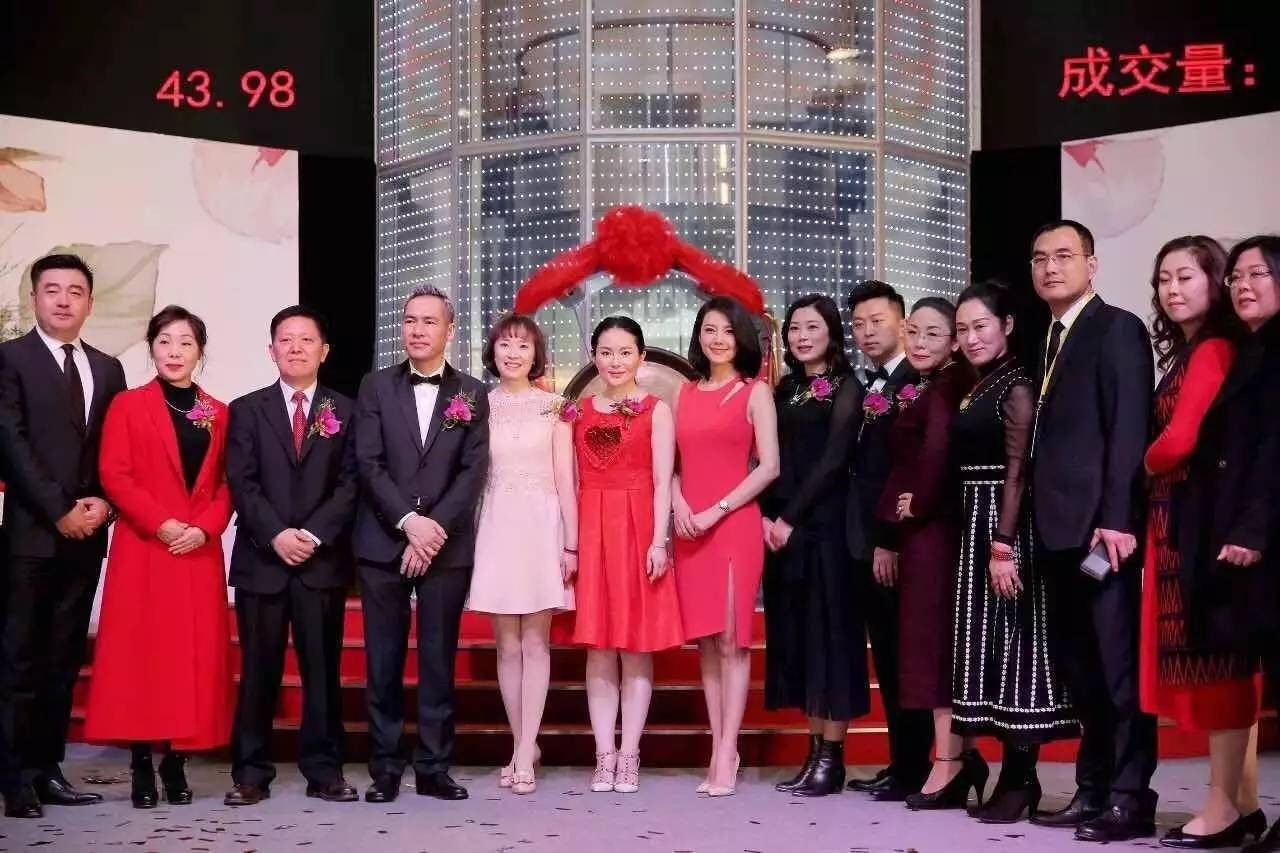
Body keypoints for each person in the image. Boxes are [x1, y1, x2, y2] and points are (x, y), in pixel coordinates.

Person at [1027, 220, 1158, 842]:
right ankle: (1094, 787)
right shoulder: (1048, 338)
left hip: (1104, 535)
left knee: (1117, 669)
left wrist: (1117, 518)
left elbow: (1129, 430)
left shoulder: (1118, 329)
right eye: (1040, 259)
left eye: (1064, 256)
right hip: (1056, 532)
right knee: (1081, 671)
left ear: (1092, 264)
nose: (1051, 268)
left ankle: (1131, 797)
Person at [1134, 237, 1265, 849]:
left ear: (1215, 281)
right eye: (1164, 279)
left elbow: (1180, 439)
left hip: (1197, 523)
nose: (1172, 289)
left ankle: (1224, 807)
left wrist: (1139, 462)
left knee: (1217, 663)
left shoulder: (1212, 348)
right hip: (1179, 520)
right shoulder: (1192, 351)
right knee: (1213, 662)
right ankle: (1240, 802)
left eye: (1186, 276)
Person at [84, 306, 235, 808]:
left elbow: (226, 483)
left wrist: (204, 528)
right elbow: (115, 474)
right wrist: (161, 523)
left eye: (185, 342)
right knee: (142, 658)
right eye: (165, 341)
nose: (174, 351)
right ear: (151, 347)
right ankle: (141, 763)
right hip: (146, 547)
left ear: (200, 351)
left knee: (189, 660)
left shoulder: (218, 412)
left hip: (196, 551)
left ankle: (176, 760)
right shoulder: (128, 406)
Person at [0, 254, 126, 819]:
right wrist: (59, 509)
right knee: (19, 658)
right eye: (52, 290)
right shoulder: (9, 359)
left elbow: (115, 450)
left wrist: (105, 502)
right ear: (34, 298)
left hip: (86, 536)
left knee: (62, 657)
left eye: (75, 291)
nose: (63, 300)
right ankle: (14, 777)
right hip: (30, 536)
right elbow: (11, 442)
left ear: (89, 302)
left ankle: (47, 769)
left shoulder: (108, 367)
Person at [352, 285, 489, 804]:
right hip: (383, 540)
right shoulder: (374, 386)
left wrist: (432, 531)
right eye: (410, 320)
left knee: (437, 659)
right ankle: (385, 767)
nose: (417, 330)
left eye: (429, 321)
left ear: (449, 330)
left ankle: (434, 766)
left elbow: (472, 471)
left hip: (445, 545)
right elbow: (368, 463)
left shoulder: (471, 392)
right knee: (383, 661)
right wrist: (409, 522)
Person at [947, 282, 1077, 823]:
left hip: (1006, 527)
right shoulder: (979, 384)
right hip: (976, 523)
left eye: (980, 326)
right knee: (991, 651)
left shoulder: (1017, 384)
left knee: (1018, 648)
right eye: (962, 330)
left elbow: (1018, 470)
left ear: (1007, 326)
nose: (971, 338)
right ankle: (1010, 774)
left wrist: (1003, 545)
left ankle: (1020, 777)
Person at [223, 306, 360, 807]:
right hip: (263, 560)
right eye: (286, 339)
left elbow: (351, 483)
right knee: (258, 671)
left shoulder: (346, 410)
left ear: (324, 351)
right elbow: (241, 481)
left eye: (306, 339)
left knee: (321, 671)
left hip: (320, 562)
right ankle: (250, 773)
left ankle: (324, 771)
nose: (296, 347)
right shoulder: (246, 409)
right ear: (271, 350)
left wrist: (313, 534)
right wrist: (277, 534)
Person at [1174, 235, 1280, 853]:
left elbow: (1276, 450)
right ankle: (1246, 811)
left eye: (1258, 274)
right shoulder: (1251, 349)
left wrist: (1251, 530)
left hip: (1263, 538)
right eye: (1236, 276)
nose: (1243, 285)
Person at [568, 316, 682, 795]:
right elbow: (570, 480)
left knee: (635, 648)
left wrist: (659, 541)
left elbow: (663, 482)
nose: (615, 361)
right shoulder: (576, 411)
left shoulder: (657, 410)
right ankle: (604, 756)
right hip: (592, 528)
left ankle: (630, 755)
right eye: (606, 352)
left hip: (637, 529)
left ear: (641, 356)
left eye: (625, 352)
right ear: (594, 356)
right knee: (599, 648)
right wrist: (570, 542)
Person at [762, 295, 868, 796]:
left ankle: (833, 758)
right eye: (795, 328)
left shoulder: (847, 387)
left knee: (833, 641)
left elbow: (833, 461)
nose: (802, 337)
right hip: (785, 534)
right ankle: (813, 754)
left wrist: (788, 517)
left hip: (827, 529)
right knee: (803, 641)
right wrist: (767, 517)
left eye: (813, 327)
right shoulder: (785, 389)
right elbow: (769, 456)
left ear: (831, 333)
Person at [673, 296, 779, 797]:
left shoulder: (754, 392)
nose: (717, 339)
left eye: (728, 331)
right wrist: (677, 504)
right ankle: (721, 744)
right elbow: (671, 464)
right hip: (689, 529)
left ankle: (726, 751)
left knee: (733, 641)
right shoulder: (684, 392)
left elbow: (770, 466)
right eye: (709, 330)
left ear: (743, 338)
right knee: (707, 642)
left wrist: (716, 510)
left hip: (733, 525)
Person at [466, 314, 576, 796]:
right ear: (493, 352)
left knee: (535, 643)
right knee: (506, 646)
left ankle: (526, 749)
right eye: (505, 344)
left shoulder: (557, 407)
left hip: (541, 527)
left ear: (537, 356)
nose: (513, 353)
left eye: (523, 346)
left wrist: (571, 543)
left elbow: (566, 480)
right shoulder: (477, 405)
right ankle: (521, 746)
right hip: (495, 525)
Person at [874, 297, 975, 809]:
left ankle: (949, 763)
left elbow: (936, 452)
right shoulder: (931, 383)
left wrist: (916, 505)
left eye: (933, 334)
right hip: (925, 533)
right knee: (931, 644)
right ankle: (955, 759)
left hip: (935, 534)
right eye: (913, 331)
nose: (918, 342)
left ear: (955, 341)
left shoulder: (947, 384)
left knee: (934, 645)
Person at [842, 280, 933, 800]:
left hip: (895, 542)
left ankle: (915, 767)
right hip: (866, 539)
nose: (867, 331)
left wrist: (889, 541)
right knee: (889, 657)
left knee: (905, 657)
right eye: (858, 324)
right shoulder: (873, 383)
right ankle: (903, 762)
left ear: (903, 322)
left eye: (877, 321)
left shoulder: (915, 384)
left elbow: (905, 470)